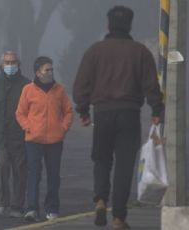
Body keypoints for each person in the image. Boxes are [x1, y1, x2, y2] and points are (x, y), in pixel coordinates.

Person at [72, 6, 164, 229]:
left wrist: (83, 111)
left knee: (102, 159)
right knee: (124, 166)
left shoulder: (95, 51)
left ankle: (101, 199)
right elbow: (151, 85)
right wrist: (156, 111)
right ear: (130, 25)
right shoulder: (140, 52)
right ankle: (119, 217)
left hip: (102, 114)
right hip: (129, 114)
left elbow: (81, 86)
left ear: (108, 25)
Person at [16, 56, 73, 221]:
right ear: (38, 72)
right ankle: (32, 208)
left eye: (51, 69)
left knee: (53, 176)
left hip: (55, 140)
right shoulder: (28, 90)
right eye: (46, 70)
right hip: (33, 140)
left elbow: (68, 111)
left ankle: (52, 209)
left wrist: (63, 128)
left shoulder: (59, 90)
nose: (50, 72)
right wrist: (28, 127)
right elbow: (20, 113)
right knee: (33, 174)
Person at [0, 51, 30, 218]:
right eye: (7, 63)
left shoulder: (27, 86)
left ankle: (17, 205)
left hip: (21, 136)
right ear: (2, 65)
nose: (10, 66)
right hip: (0, 136)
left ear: (19, 64)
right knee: (1, 167)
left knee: (20, 171)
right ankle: (1, 204)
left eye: (13, 62)